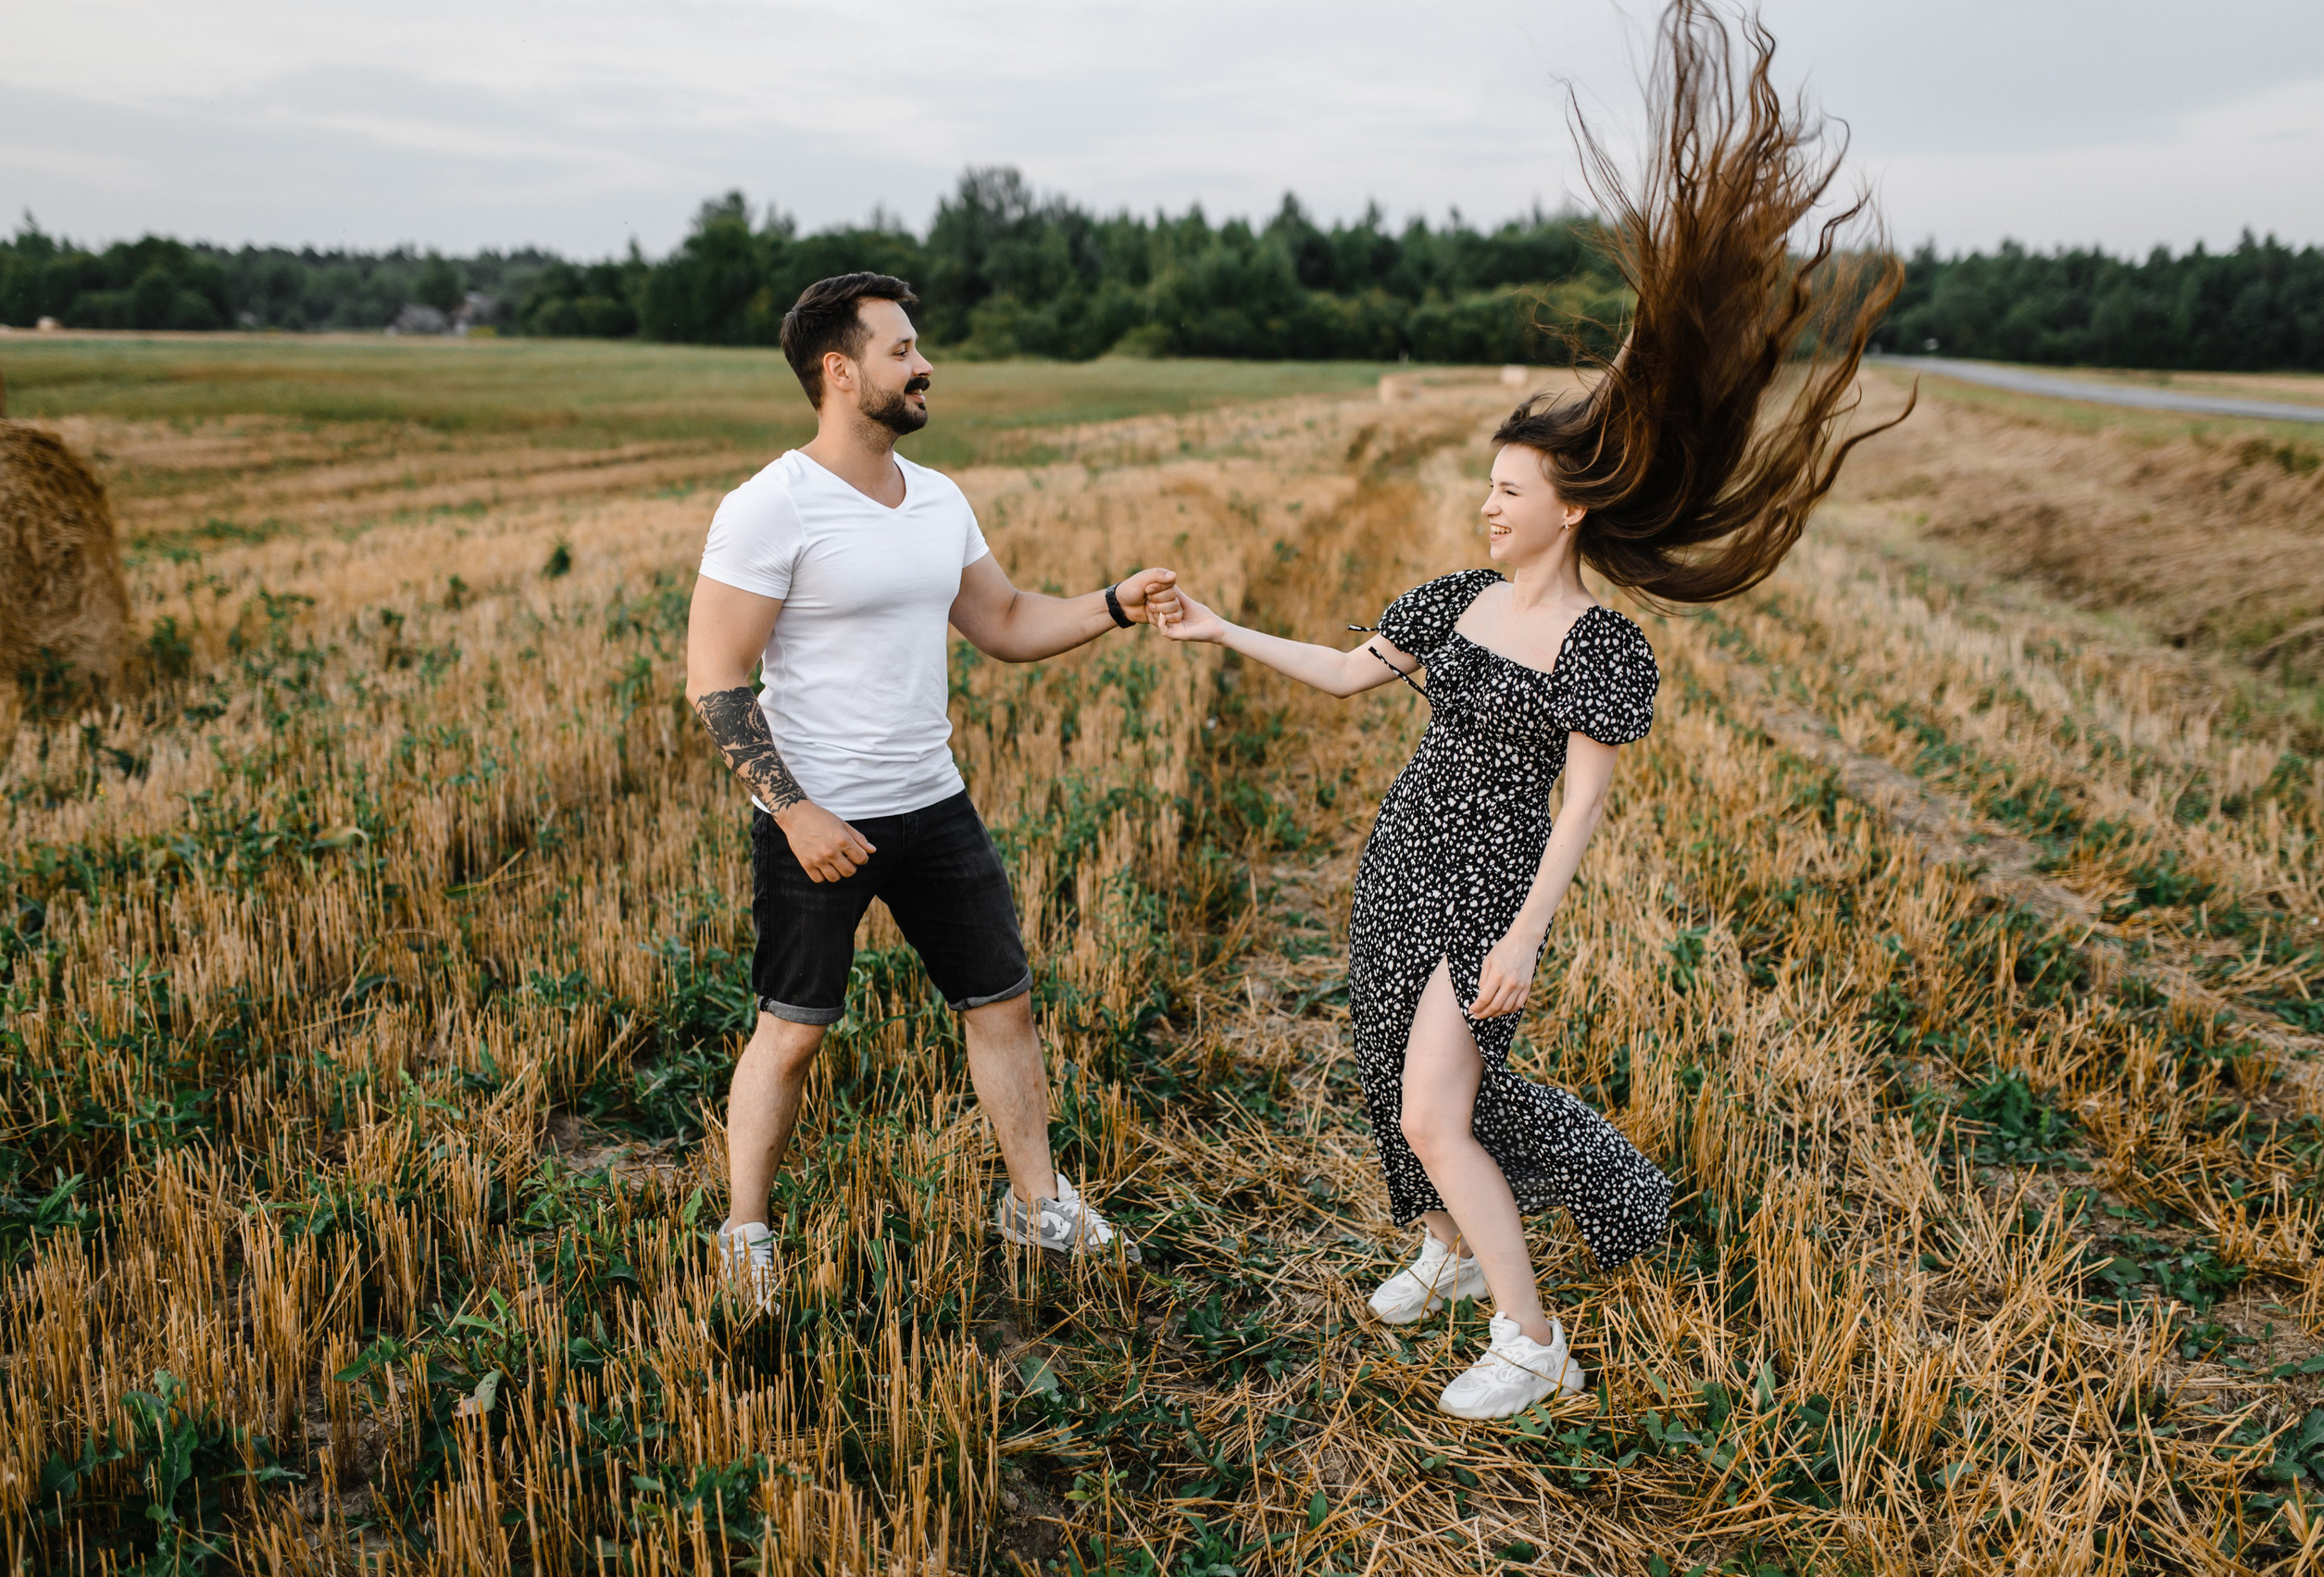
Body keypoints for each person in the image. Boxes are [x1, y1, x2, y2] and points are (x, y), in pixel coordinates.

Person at [1143, 0, 1904, 1418]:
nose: (1485, 501)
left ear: (1567, 502)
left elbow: (1584, 803)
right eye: (1483, 485)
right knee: (1393, 1083)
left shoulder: (1600, 641)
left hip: (1489, 881)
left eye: (1506, 487)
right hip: (1402, 857)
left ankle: (1531, 1336)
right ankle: (1440, 1243)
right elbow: (1344, 669)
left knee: (1440, 1103)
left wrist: (1525, 932)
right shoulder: (1453, 602)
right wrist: (1215, 628)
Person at [685, 272, 1176, 1307]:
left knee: (1001, 1001)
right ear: (839, 369)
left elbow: (1000, 623)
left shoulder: (938, 496)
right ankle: (744, 1233)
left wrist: (1112, 605)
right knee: (795, 1029)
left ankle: (1036, 1202)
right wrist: (796, 809)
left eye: (917, 347)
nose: (923, 364)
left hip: (934, 801)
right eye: (902, 348)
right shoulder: (770, 505)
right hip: (819, 814)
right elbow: (717, 682)